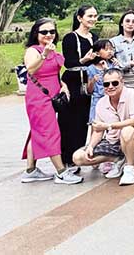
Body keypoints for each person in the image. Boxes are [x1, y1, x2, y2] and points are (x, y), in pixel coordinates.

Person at [20, 18, 82, 184]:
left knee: (37, 131)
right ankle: (61, 171)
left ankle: (30, 170)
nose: (49, 35)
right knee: (50, 132)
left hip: (54, 95)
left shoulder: (54, 50)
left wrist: (63, 85)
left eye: (52, 31)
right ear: (36, 34)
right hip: (39, 98)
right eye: (44, 32)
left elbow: (54, 72)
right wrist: (44, 54)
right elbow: (31, 70)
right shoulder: (33, 51)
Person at [72, 68, 134, 185]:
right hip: (112, 142)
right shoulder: (101, 103)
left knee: (127, 130)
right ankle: (117, 159)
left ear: (122, 82)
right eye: (106, 84)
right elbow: (98, 130)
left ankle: (130, 168)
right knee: (78, 157)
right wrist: (91, 146)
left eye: (115, 83)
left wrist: (109, 126)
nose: (110, 86)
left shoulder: (131, 94)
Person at [58, 4, 98, 166]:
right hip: (74, 84)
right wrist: (85, 60)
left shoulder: (94, 37)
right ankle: (67, 160)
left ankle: (79, 157)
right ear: (80, 18)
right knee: (69, 123)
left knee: (84, 122)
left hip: (91, 84)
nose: (93, 19)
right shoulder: (70, 38)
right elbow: (68, 63)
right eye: (90, 16)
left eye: (95, 16)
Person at [84, 40, 118, 125]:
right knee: (96, 126)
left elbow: (116, 82)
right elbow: (89, 91)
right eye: (106, 49)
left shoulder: (113, 65)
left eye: (111, 49)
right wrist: (93, 81)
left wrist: (107, 69)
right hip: (97, 101)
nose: (110, 51)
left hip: (112, 101)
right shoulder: (91, 68)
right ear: (97, 53)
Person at [110, 10, 134, 93]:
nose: (130, 24)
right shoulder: (113, 41)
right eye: (127, 21)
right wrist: (127, 65)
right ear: (122, 23)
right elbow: (113, 65)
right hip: (121, 79)